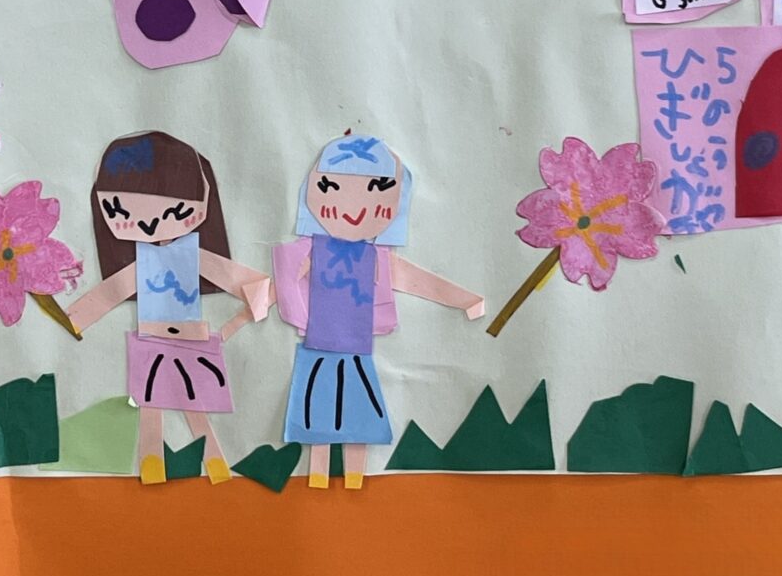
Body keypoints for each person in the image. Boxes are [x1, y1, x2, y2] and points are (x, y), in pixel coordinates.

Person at [273, 132, 484, 489]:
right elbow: (284, 281)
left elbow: (415, 280)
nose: (354, 208)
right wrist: (286, 311)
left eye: (378, 192)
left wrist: (465, 300)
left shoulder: (375, 256)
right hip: (319, 345)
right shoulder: (311, 250)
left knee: (359, 411)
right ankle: (318, 477)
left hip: (357, 348)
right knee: (318, 410)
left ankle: (355, 478)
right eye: (332, 188)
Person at [67, 131, 271, 484]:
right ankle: (155, 472)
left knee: (196, 406)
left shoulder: (192, 256)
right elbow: (111, 292)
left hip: (190, 339)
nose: (148, 223)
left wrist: (241, 318)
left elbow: (252, 285)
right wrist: (73, 320)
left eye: (175, 210)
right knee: (152, 408)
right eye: (121, 210)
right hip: (151, 340)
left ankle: (216, 468)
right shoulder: (144, 261)